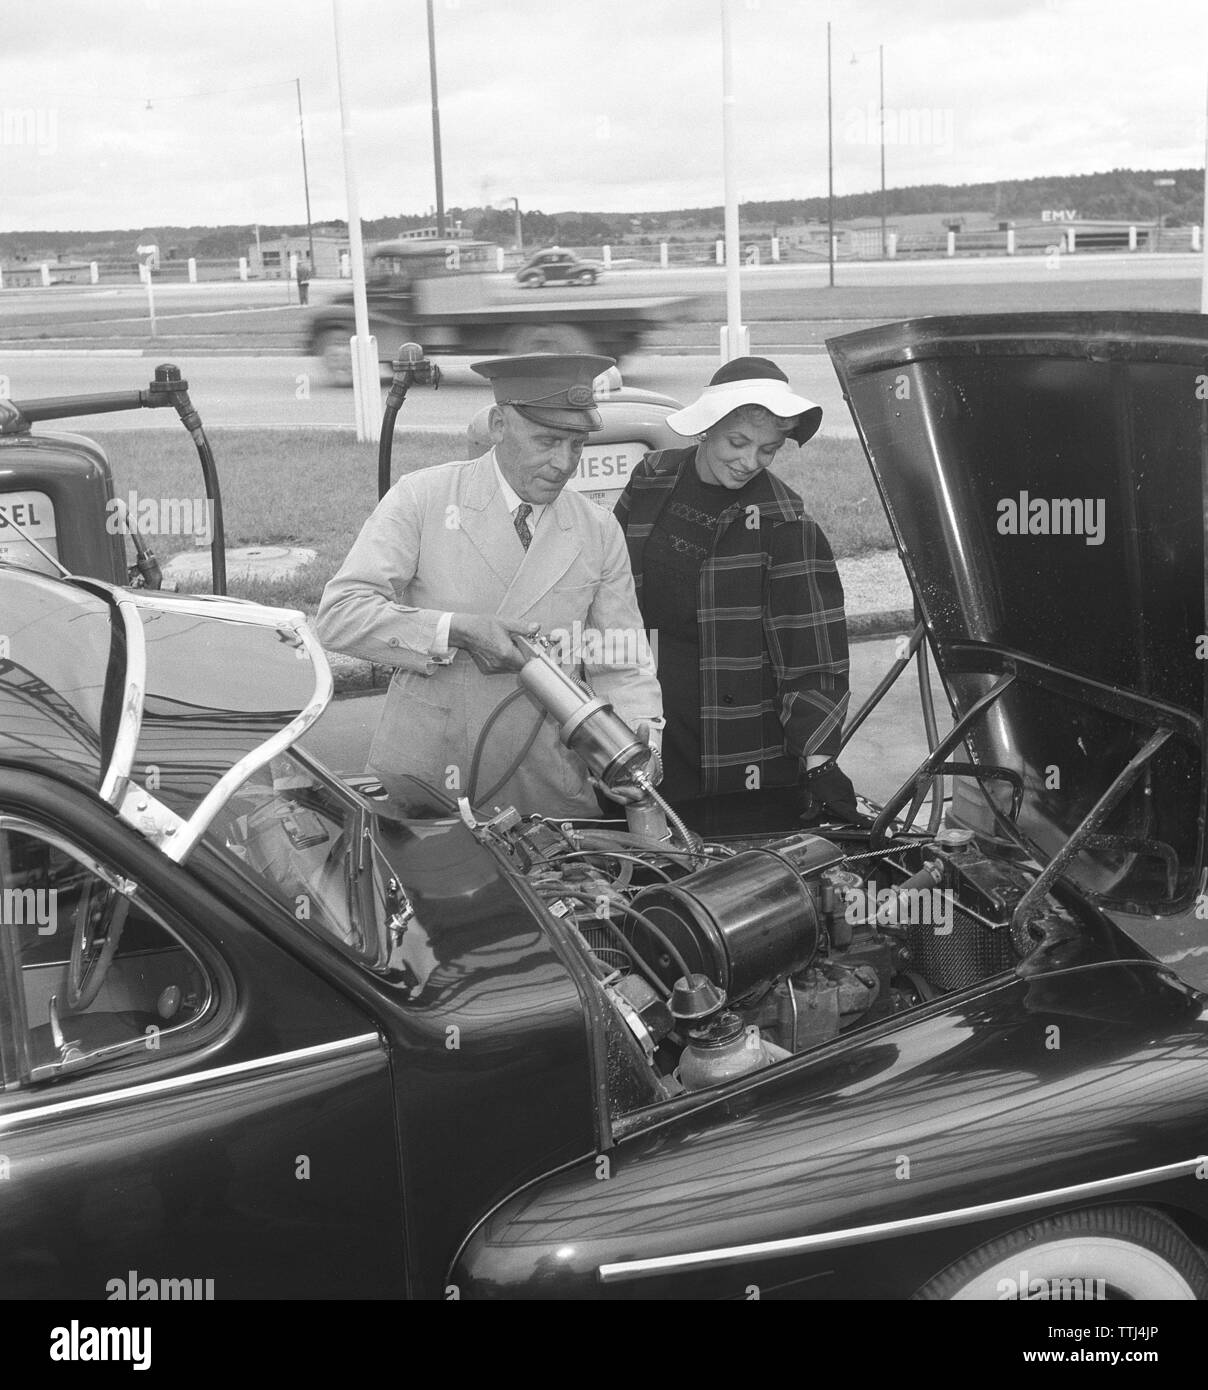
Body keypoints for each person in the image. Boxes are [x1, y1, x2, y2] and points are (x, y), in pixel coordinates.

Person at [315, 354, 663, 819]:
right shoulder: (424, 497)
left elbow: (620, 659)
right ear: (499, 424)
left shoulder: (597, 529)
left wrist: (638, 742)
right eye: (547, 440)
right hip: (431, 775)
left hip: (545, 780)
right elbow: (342, 615)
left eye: (577, 444)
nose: (564, 464)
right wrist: (456, 630)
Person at [613, 355, 859, 827]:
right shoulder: (652, 477)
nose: (750, 462)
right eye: (738, 442)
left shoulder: (785, 524)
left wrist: (819, 761)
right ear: (706, 428)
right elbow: (612, 578)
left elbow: (814, 656)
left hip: (735, 740)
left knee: (721, 873)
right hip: (647, 710)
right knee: (643, 864)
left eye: (768, 450)